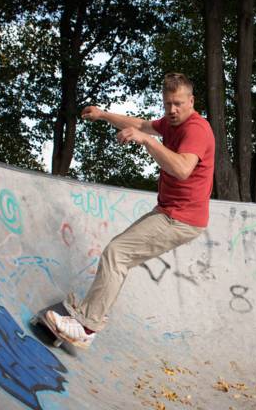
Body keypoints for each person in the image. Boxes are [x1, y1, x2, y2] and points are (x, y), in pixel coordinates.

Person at [46, 72, 215, 348]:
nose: (172, 110)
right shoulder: (171, 122)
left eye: (179, 104)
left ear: (191, 101)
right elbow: (140, 124)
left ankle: (86, 328)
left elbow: (183, 169)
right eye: (168, 104)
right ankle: (87, 316)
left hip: (180, 219)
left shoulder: (196, 129)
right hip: (170, 212)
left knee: (117, 254)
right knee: (120, 258)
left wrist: (148, 141)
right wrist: (103, 115)